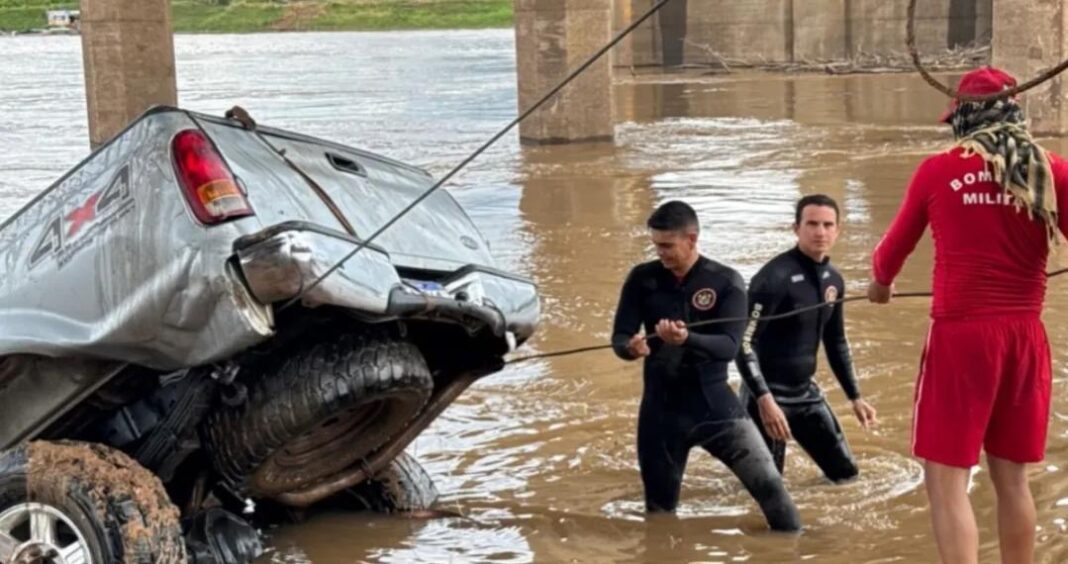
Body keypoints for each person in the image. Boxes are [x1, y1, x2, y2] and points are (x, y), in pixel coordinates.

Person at [868, 66, 1068, 564]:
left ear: (963, 117)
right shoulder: (1052, 170)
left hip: (961, 337)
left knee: (946, 481)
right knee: (1013, 479)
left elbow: (890, 254)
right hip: (1025, 337)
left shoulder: (938, 170)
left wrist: (881, 287)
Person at [611, 200, 801, 532]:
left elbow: (729, 347)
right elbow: (619, 336)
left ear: (692, 239)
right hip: (660, 414)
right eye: (656, 245)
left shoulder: (725, 281)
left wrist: (686, 339)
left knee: (771, 487)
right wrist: (630, 347)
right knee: (659, 515)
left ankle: (793, 548)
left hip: (715, 408)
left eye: (668, 246)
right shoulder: (642, 279)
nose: (661, 253)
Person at [735, 194, 878, 483]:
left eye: (827, 225)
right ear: (796, 228)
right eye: (812, 223)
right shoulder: (772, 279)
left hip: (805, 395)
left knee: (846, 476)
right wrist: (764, 399)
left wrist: (855, 397)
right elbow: (743, 343)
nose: (820, 232)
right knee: (769, 488)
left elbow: (836, 341)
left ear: (838, 230)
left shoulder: (834, 280)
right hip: (766, 396)